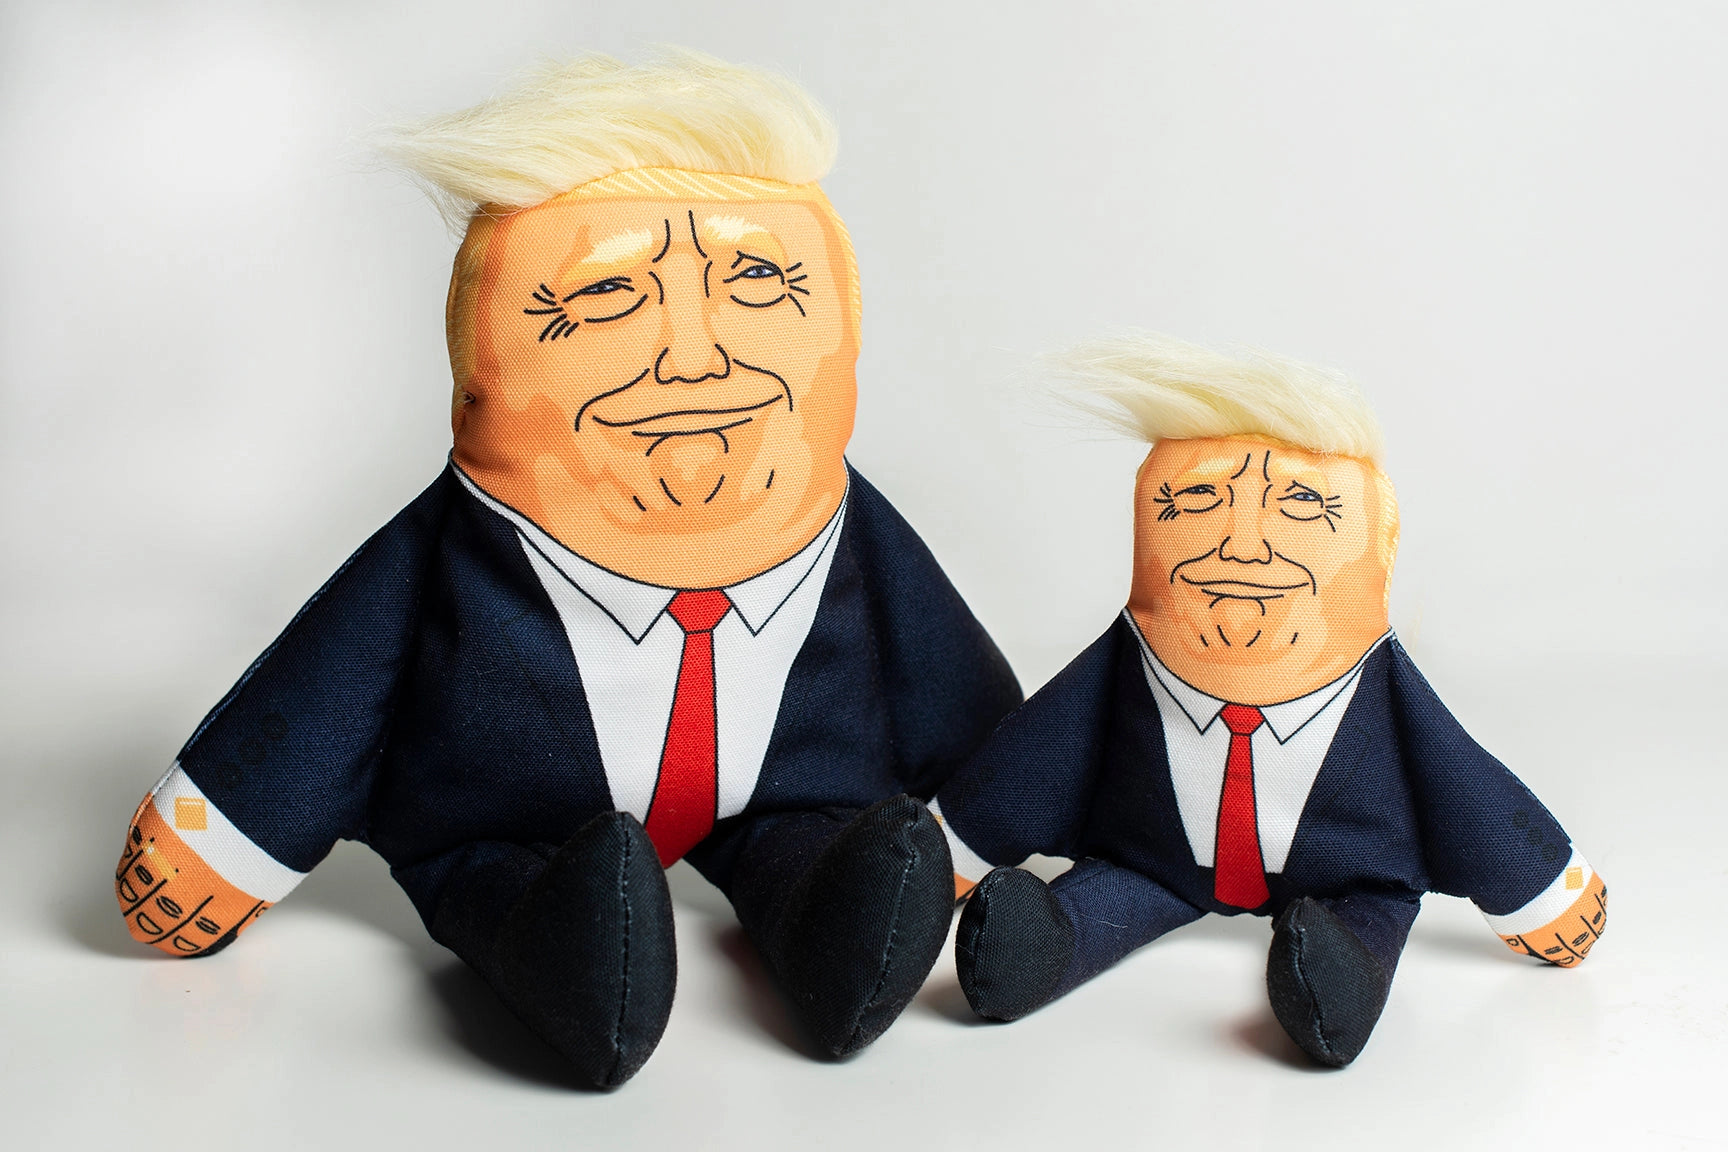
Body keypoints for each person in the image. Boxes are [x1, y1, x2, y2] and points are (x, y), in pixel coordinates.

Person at [112, 51, 1021, 1088]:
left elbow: (943, 664)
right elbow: (334, 678)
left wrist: (1001, 803)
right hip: (501, 823)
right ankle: (548, 938)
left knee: (832, 856)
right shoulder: (451, 548)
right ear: (483, 378)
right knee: (504, 881)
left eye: (757, 282)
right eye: (608, 293)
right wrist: (219, 842)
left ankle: (833, 915)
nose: (695, 358)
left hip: (797, 797)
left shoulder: (853, 529)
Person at [931, 334, 1605, 1066]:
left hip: (1355, 880)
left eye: (1302, 504)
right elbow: (1045, 746)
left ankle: (1338, 977)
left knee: (1360, 926)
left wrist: (1544, 891)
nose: (1243, 547)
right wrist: (954, 849)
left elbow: (1458, 778)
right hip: (1147, 860)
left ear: (1376, 549)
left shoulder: (1386, 693)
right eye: (1200, 499)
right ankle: (1033, 951)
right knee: (1098, 900)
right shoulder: (1123, 665)